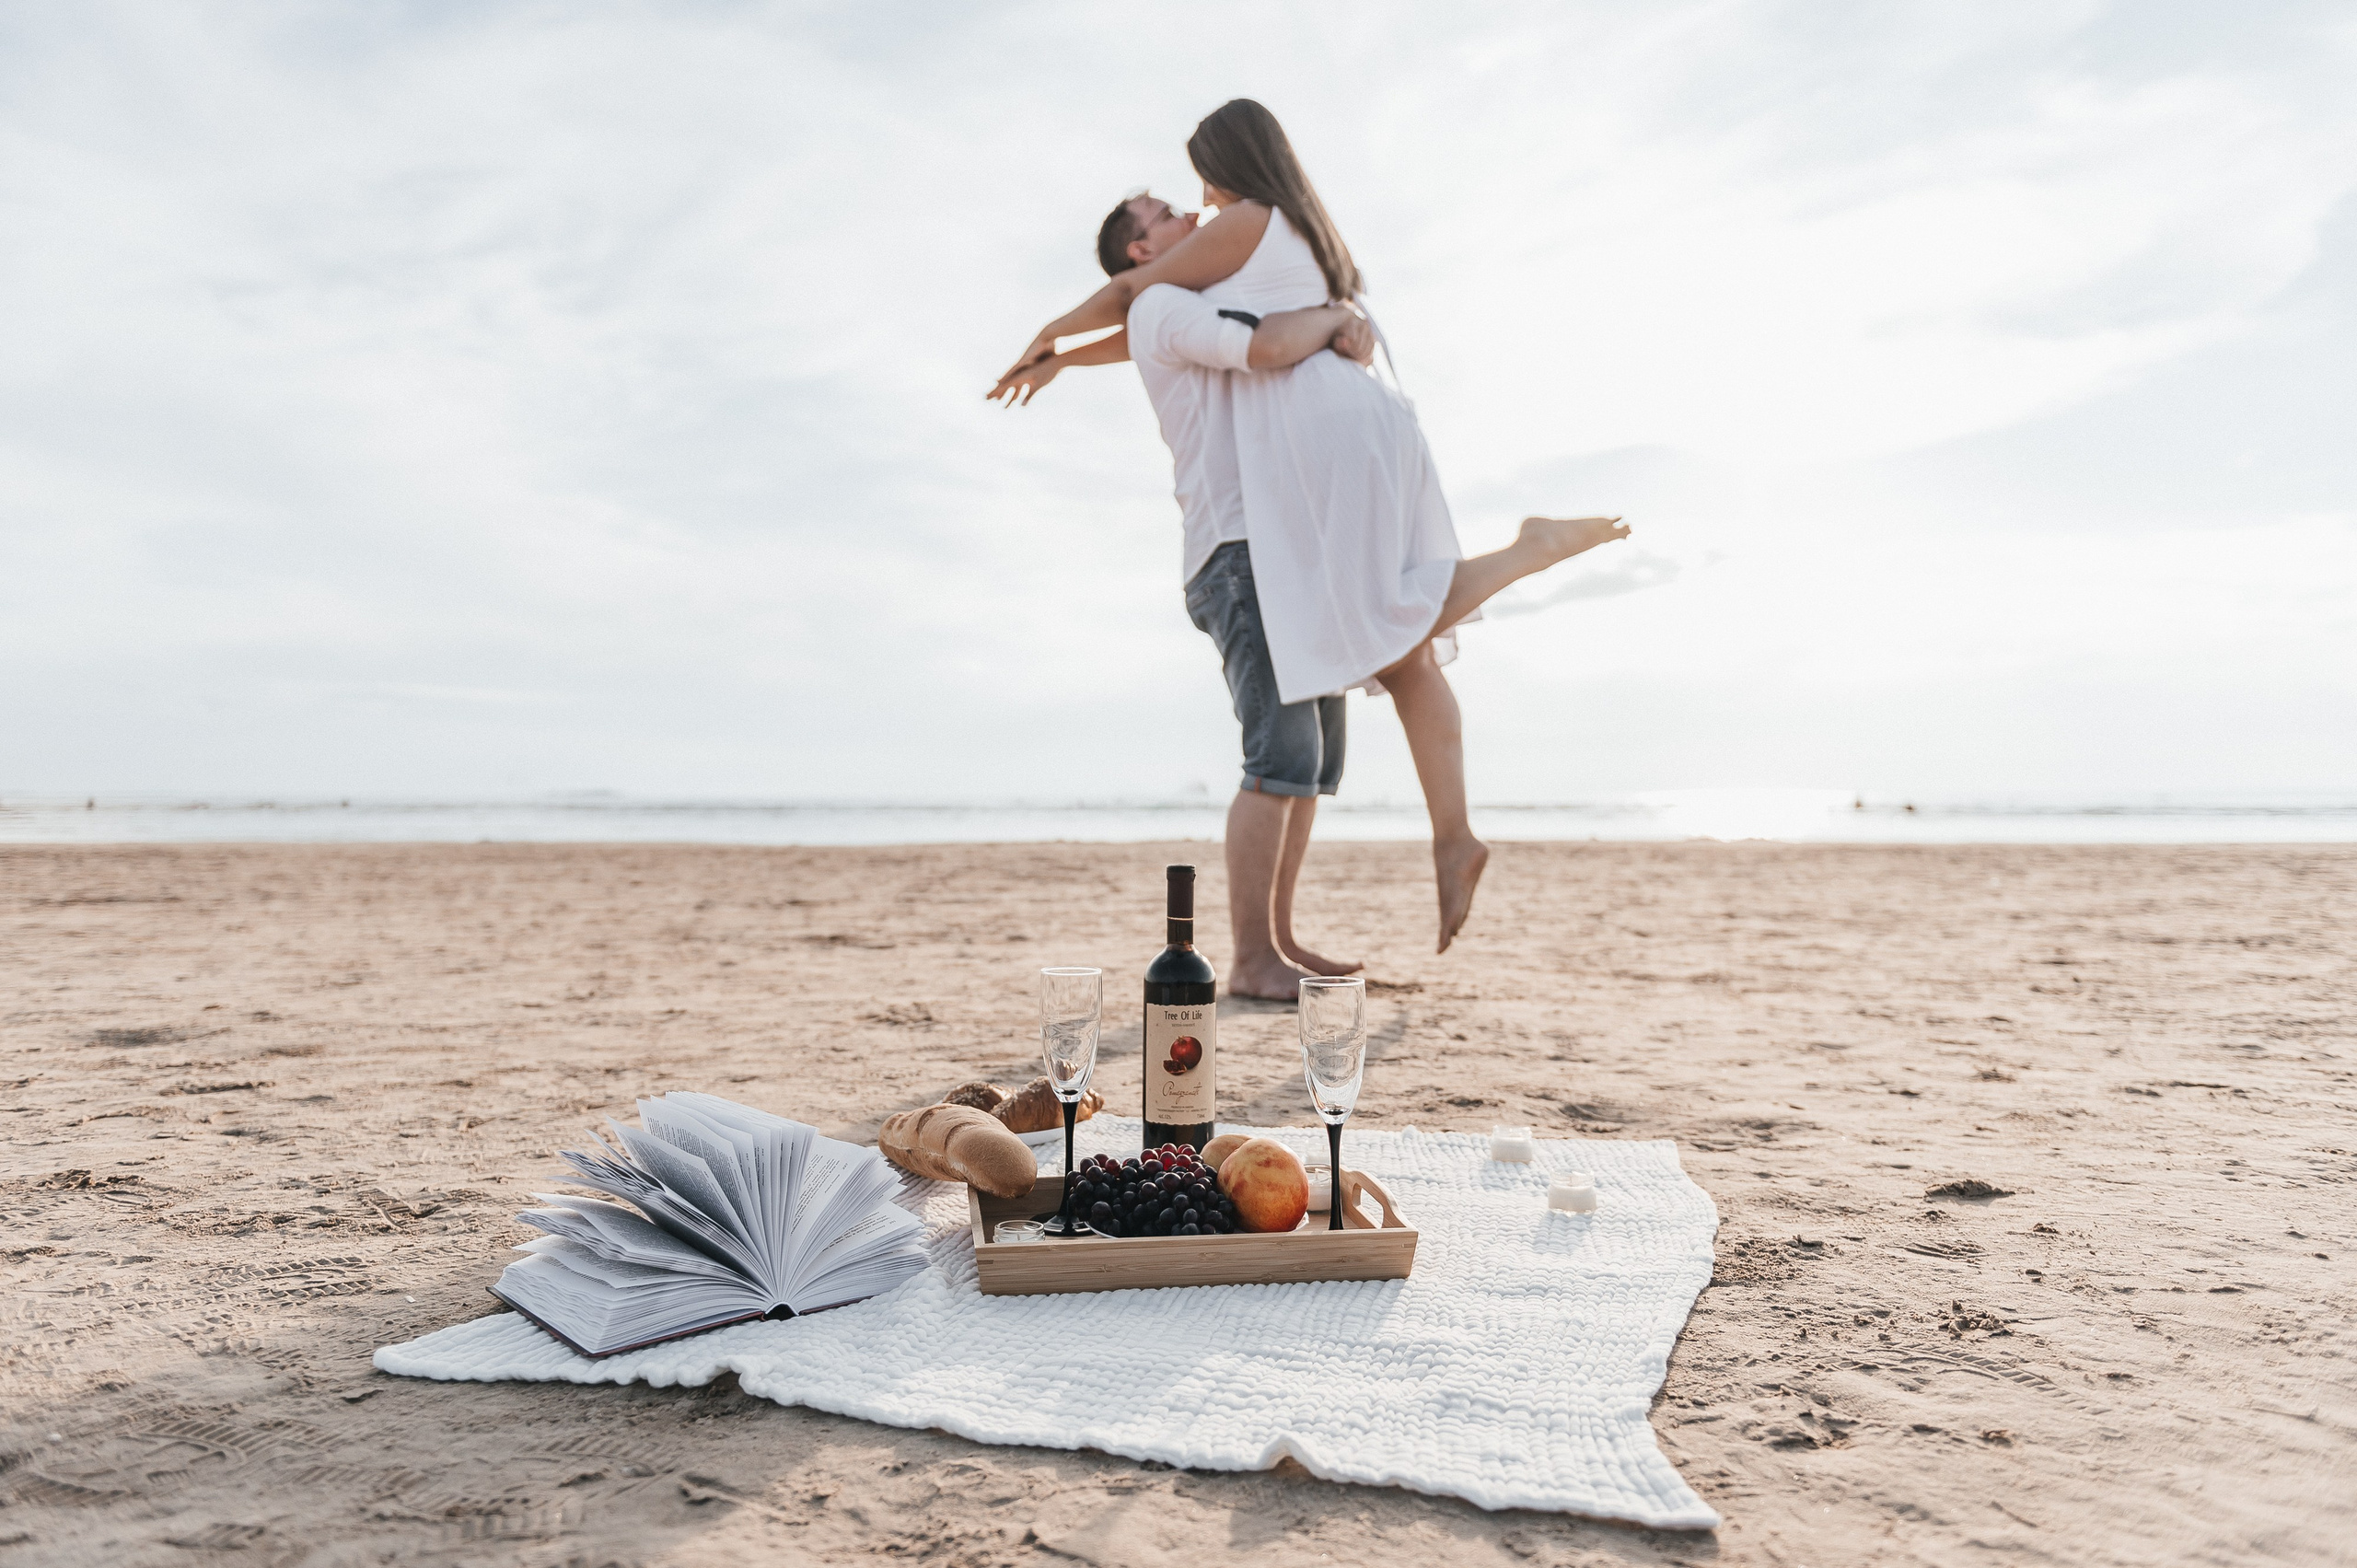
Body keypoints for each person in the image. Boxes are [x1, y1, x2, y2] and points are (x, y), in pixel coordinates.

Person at [993, 99, 1631, 956]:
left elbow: (1134, 301)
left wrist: (1051, 337)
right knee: (1396, 650)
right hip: (1351, 433)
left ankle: (1523, 556)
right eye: (1172, 210)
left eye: (1202, 181)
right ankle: (1441, 842)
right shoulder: (1282, 236)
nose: (1199, 202)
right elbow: (1149, 319)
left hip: (1321, 445)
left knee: (1381, 633)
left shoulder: (1242, 227)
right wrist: (1064, 356)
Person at [1004, 221, 1376, 999]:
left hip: (1283, 545)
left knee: (1313, 764)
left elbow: (1143, 327)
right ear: (1142, 251)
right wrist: (1341, 319)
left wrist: (1066, 357)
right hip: (1239, 552)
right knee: (1278, 757)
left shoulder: (1184, 301)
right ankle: (1251, 956)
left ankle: (1280, 938)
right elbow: (1256, 344)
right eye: (1163, 213)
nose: (1188, 218)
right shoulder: (1165, 301)